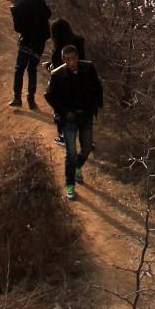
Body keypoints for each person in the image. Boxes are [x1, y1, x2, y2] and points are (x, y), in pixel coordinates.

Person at [44, 45, 103, 200]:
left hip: (85, 115)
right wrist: (64, 112)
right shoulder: (57, 75)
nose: (72, 62)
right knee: (70, 153)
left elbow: (97, 86)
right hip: (68, 119)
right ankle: (70, 185)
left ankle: (78, 166)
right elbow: (49, 95)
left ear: (78, 56)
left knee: (87, 147)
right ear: (63, 60)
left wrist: (96, 105)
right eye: (68, 59)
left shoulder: (89, 68)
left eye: (74, 58)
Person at [3, 0, 51, 109]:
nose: (8, 0)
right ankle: (31, 100)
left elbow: (18, 28)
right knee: (32, 69)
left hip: (27, 42)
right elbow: (48, 14)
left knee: (19, 69)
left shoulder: (16, 8)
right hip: (40, 41)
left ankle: (17, 98)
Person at [46, 19, 87, 145]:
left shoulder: (59, 49)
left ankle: (64, 136)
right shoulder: (79, 40)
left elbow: (58, 68)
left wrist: (49, 66)